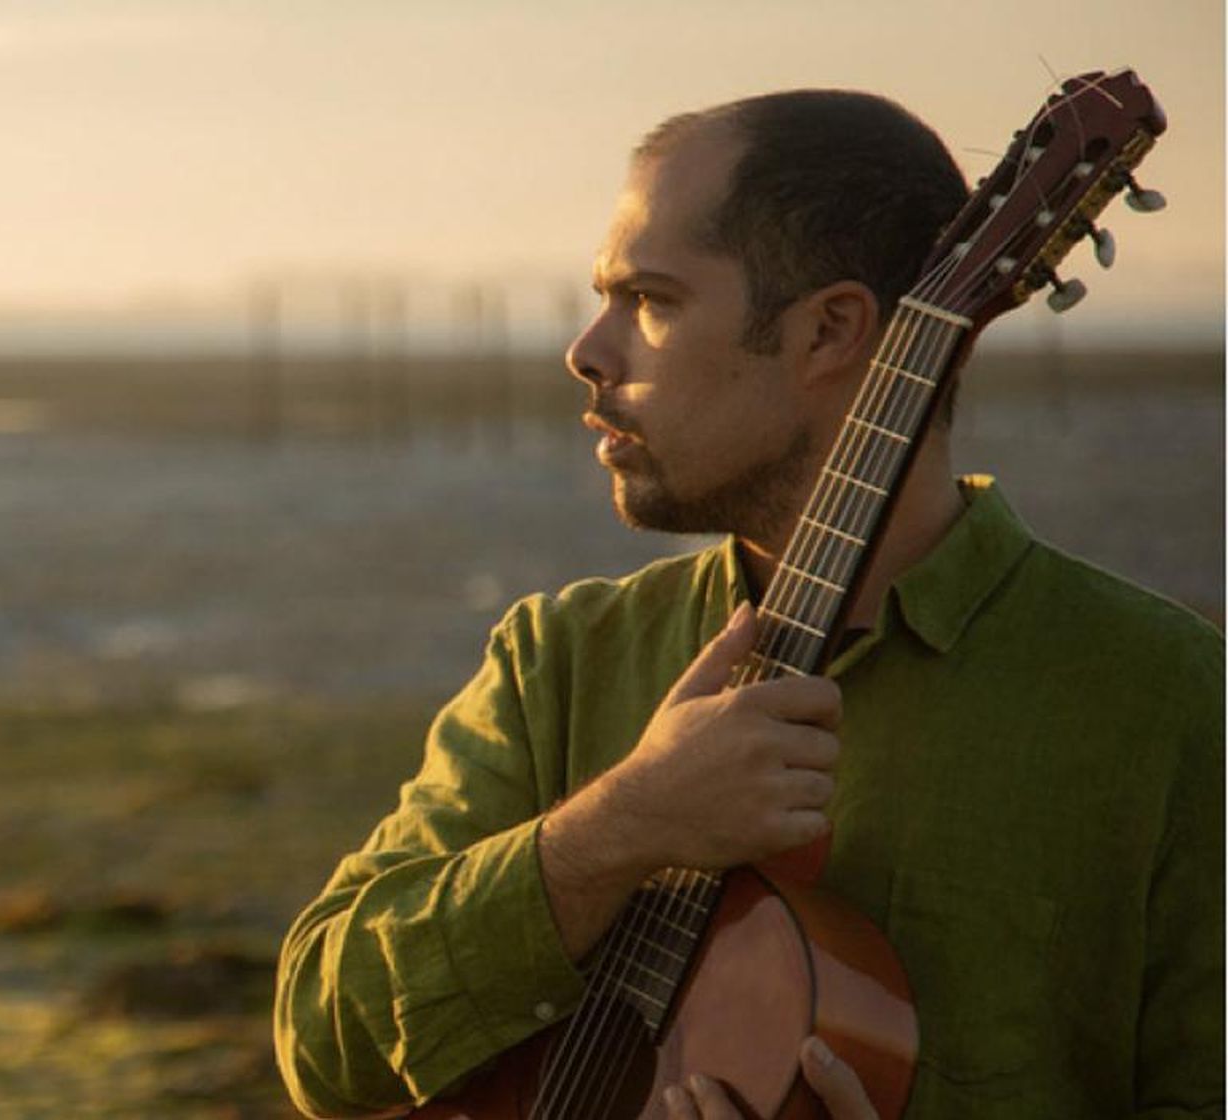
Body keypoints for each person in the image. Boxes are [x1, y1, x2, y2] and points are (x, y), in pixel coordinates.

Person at [274, 89, 1223, 1118]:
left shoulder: (1174, 705)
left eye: (652, 299)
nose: (587, 349)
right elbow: (327, 1045)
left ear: (829, 331)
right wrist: (615, 828)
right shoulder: (561, 657)